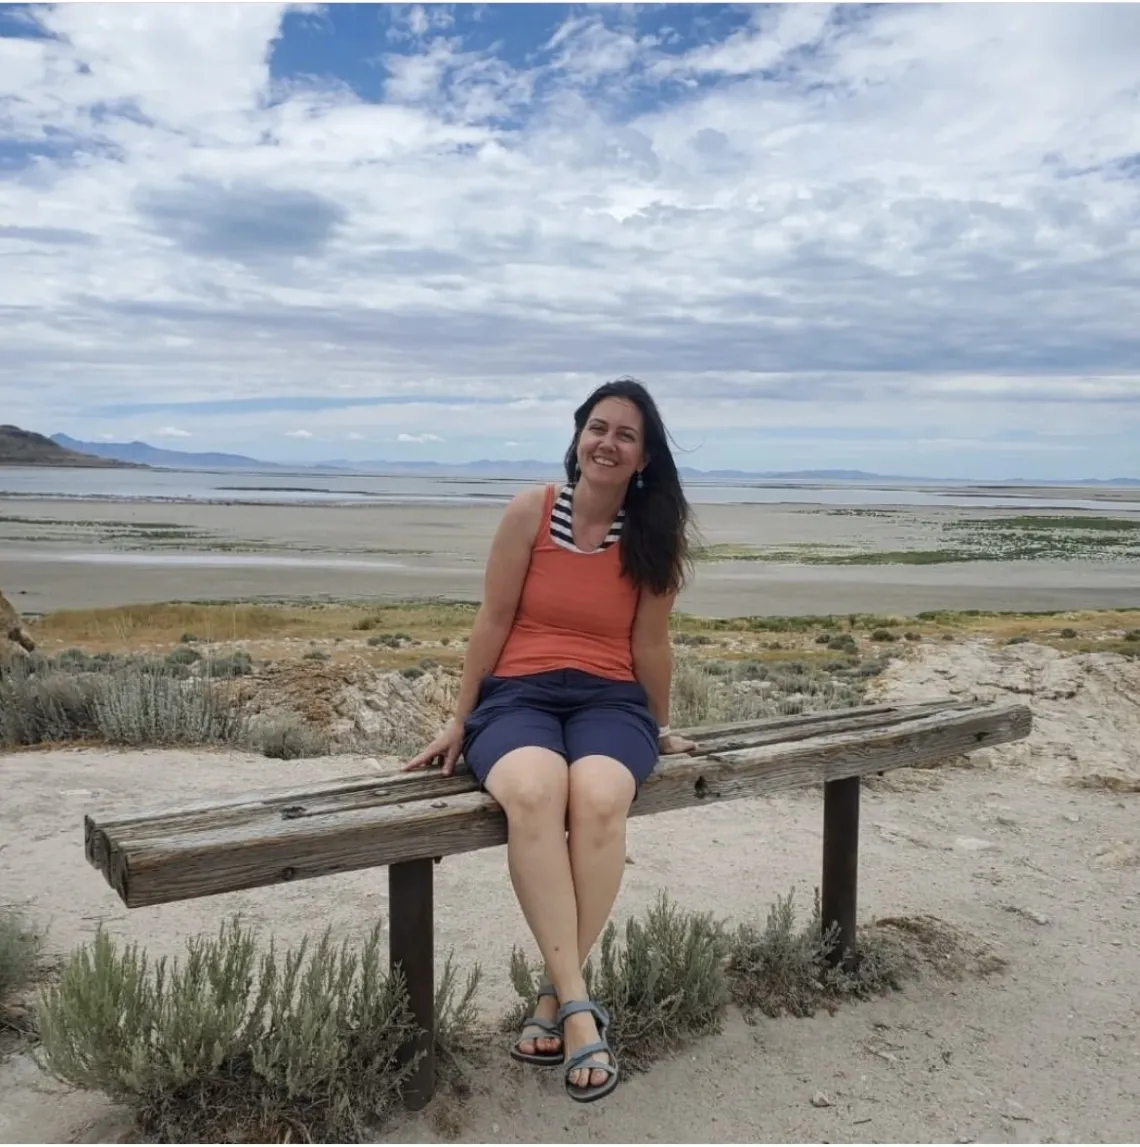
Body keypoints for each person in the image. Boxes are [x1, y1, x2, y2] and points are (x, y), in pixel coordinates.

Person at [403, 377, 697, 1103]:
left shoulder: (653, 539)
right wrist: (459, 717)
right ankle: (577, 1007)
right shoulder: (531, 512)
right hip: (519, 695)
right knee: (535, 791)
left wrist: (657, 728)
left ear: (644, 458)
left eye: (626, 435)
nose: (608, 442)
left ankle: (554, 1001)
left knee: (600, 798)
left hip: (610, 698)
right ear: (577, 438)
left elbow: (651, 644)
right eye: (598, 427)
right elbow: (492, 621)